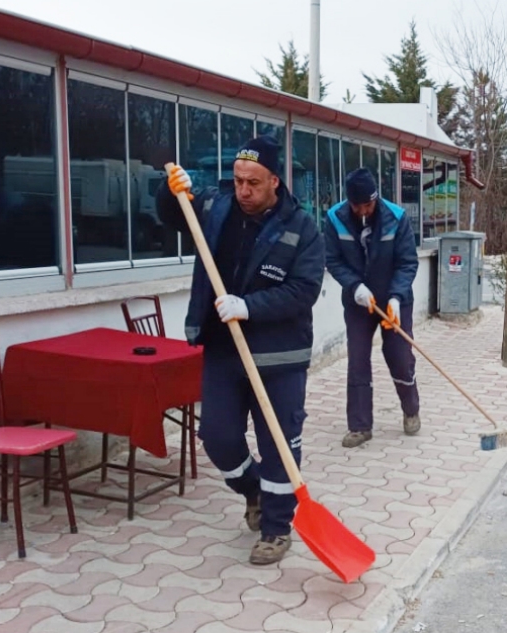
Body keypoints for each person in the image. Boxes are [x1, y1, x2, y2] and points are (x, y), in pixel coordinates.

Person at [157, 135, 324, 565]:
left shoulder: (302, 227)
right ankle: (252, 490)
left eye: (252, 183)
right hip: (222, 349)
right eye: (237, 181)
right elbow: (174, 216)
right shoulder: (216, 207)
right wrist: (171, 190)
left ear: (274, 180)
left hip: (279, 358)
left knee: (279, 444)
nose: (243, 191)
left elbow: (304, 291)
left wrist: (250, 306)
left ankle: (275, 528)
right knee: (217, 436)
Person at [324, 168, 421, 448]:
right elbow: (333, 260)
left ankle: (411, 408)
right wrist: (355, 287)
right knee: (357, 360)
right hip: (358, 302)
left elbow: (407, 262)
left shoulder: (396, 217)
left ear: (376, 198)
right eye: (357, 205)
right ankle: (360, 425)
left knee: (399, 356)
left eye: (368, 204)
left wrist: (395, 297)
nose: (363, 210)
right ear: (349, 202)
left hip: (393, 300)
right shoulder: (334, 219)